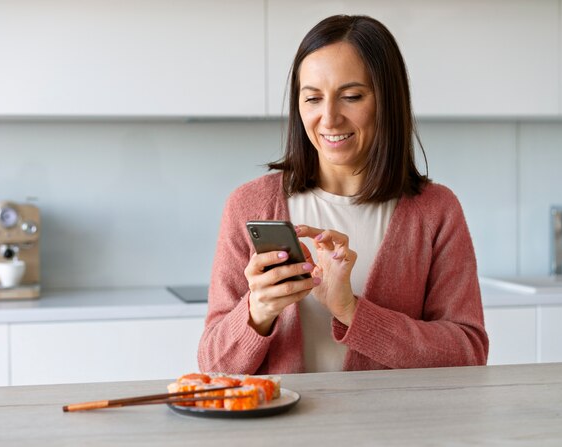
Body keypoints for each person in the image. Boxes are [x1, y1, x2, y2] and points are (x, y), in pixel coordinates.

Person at [198, 14, 488, 374]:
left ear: (388, 100)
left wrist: (351, 310)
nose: (329, 118)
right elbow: (214, 364)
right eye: (313, 98)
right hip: (282, 431)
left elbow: (468, 353)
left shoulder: (436, 211)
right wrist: (258, 310)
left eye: (351, 96)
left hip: (396, 430)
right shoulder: (249, 205)